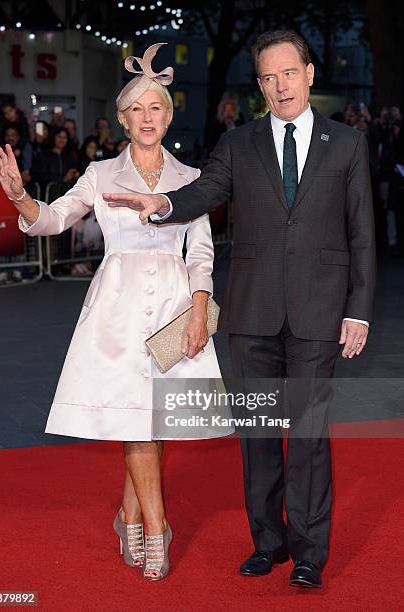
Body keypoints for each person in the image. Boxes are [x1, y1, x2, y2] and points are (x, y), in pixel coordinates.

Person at [103, 30, 376, 589]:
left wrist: (359, 310)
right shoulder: (238, 143)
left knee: (306, 433)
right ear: (259, 86)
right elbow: (205, 194)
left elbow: (362, 234)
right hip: (252, 314)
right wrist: (163, 204)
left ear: (309, 74)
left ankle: (308, 552)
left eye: (290, 74)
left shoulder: (346, 144)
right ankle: (267, 542)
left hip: (320, 312)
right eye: (269, 78)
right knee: (258, 434)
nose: (281, 86)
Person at [0, 42, 232, 582]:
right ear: (122, 118)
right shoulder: (99, 175)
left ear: (169, 116)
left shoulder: (191, 178)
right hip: (117, 309)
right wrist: (21, 198)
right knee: (137, 424)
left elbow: (203, 254)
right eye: (137, 109)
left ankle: (127, 513)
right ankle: (156, 526)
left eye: (157, 108)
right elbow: (54, 220)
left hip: (175, 305)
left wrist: (198, 311)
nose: (147, 118)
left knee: (155, 421)